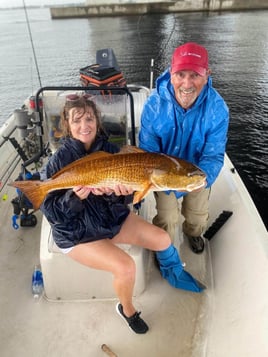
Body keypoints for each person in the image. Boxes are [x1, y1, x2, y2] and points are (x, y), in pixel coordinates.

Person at [39, 94, 204, 335]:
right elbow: (53, 214)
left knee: (163, 239)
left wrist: (122, 193)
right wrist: (74, 198)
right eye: (77, 121)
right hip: (77, 234)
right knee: (126, 267)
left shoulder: (112, 151)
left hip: (109, 221)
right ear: (67, 124)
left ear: (97, 121)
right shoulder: (58, 162)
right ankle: (127, 310)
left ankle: (174, 273)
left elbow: (127, 199)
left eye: (89, 118)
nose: (84, 126)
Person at [139, 42, 229, 254]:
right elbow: (148, 155)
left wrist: (202, 178)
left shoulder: (218, 109)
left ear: (207, 75)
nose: (186, 84)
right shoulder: (153, 105)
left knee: (197, 214)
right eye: (180, 75)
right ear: (171, 73)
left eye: (195, 75)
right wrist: (169, 181)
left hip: (198, 170)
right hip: (162, 174)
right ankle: (166, 249)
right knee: (167, 216)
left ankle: (193, 234)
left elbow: (214, 155)